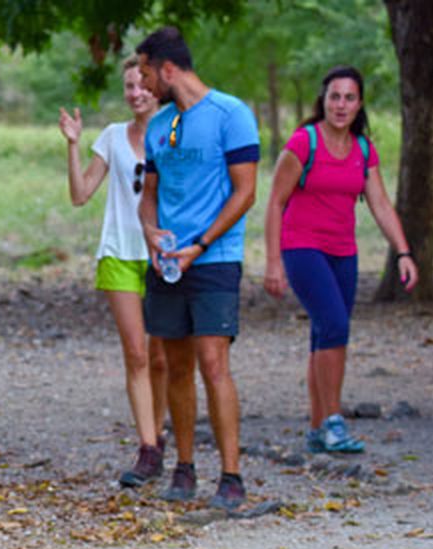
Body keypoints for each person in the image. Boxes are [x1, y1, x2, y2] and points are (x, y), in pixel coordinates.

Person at [262, 66, 418, 453]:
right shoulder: (304, 143)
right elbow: (275, 203)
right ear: (324, 99)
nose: (341, 104)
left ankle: (317, 427)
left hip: (343, 251)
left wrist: (403, 252)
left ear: (359, 103)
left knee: (326, 334)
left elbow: (380, 204)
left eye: (349, 97)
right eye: (335, 96)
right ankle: (334, 421)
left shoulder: (363, 149)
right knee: (333, 326)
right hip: (302, 247)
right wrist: (272, 262)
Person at [136, 27, 260, 510]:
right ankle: (184, 467)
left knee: (214, 364)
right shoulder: (159, 125)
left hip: (215, 259)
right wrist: (151, 233)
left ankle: (231, 476)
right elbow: (149, 195)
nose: (142, 83)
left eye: (146, 72)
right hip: (168, 264)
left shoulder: (232, 115)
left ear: (168, 69)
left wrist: (200, 244)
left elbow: (245, 192)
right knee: (175, 367)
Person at [58, 55, 170, 488]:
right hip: (120, 253)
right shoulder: (111, 137)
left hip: (162, 254)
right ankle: (147, 447)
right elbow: (80, 194)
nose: (136, 93)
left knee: (162, 356)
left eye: (143, 85)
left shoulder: (176, 133)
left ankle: (159, 433)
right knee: (138, 354)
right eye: (129, 86)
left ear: (158, 87)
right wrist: (72, 144)